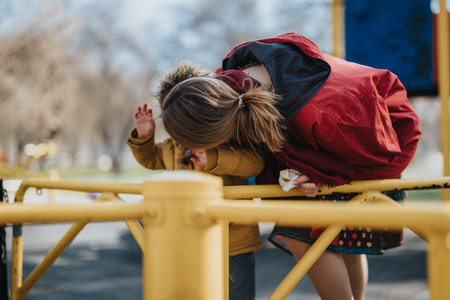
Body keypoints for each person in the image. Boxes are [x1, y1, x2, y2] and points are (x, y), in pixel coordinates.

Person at [158, 32, 422, 300]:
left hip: (374, 151)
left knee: (301, 232)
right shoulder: (229, 87)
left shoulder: (329, 113)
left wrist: (325, 179)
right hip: (334, 147)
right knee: (336, 237)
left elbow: (388, 154)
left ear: (224, 133)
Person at [127, 63, 266, 300]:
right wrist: (145, 138)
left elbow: (254, 164)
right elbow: (152, 160)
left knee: (235, 292)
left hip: (231, 242)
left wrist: (213, 157)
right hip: (185, 238)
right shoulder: (173, 146)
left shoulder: (224, 138)